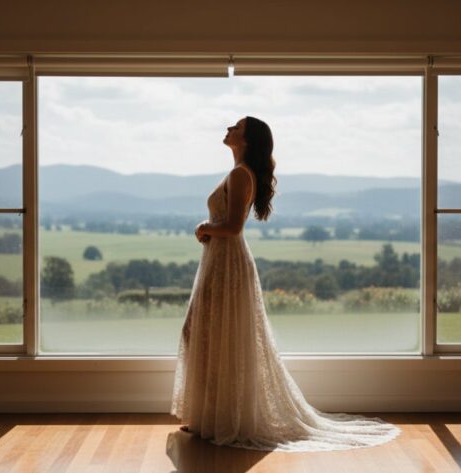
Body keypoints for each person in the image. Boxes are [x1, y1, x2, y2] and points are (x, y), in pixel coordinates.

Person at [169, 116, 401, 452]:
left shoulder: (239, 174)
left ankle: (220, 418)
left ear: (246, 140)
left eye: (236, 127)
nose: (228, 129)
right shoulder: (240, 172)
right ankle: (212, 417)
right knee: (208, 334)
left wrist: (203, 226)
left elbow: (233, 226)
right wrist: (209, 231)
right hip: (221, 261)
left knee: (207, 334)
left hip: (227, 262)